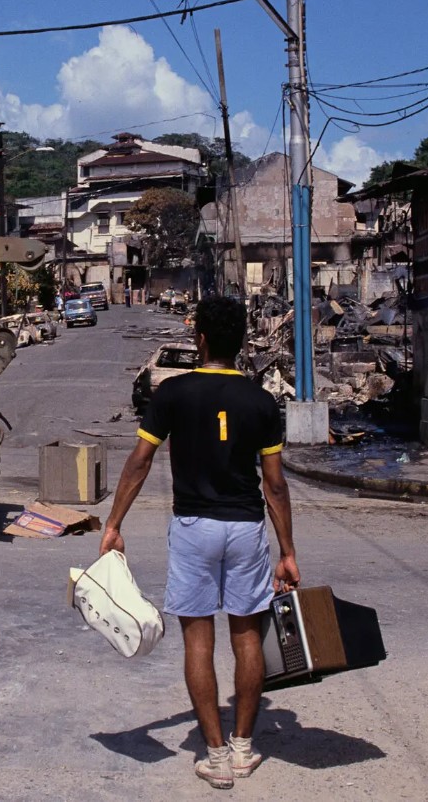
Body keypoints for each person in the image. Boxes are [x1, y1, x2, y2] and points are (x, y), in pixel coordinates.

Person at [99, 295, 299, 790]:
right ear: (242, 343)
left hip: (194, 527)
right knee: (248, 636)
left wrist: (114, 522)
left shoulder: (173, 393)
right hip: (246, 527)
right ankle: (244, 747)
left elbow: (140, 462)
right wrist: (288, 551)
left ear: (201, 338)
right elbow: (274, 484)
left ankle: (214, 754)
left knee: (198, 639)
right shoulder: (262, 401)